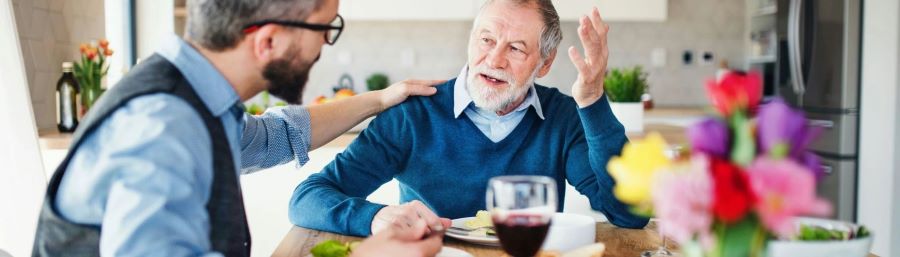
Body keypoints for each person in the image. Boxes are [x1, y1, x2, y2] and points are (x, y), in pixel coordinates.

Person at [30, 0, 446, 256]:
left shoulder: (198, 100)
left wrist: (378, 100)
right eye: (325, 29)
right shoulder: (162, 126)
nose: (325, 44)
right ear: (267, 42)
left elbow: (276, 136)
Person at [289, 0, 649, 237]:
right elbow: (308, 198)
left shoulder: (563, 118)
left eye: (516, 48)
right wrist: (373, 217)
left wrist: (593, 101)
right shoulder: (413, 114)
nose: (494, 60)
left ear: (545, 63)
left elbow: (629, 214)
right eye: (486, 40)